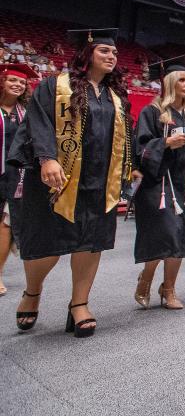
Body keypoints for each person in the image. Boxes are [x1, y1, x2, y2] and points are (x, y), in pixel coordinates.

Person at [9, 28, 133, 338]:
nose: (112, 56)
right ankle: (33, 291)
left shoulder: (115, 96)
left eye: (115, 53)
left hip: (99, 180)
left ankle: (79, 304)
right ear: (86, 52)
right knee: (47, 244)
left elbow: (122, 140)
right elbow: (38, 122)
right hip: (58, 178)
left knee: (90, 242)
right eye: (105, 50)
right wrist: (47, 157)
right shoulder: (55, 86)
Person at [132, 59, 185, 310]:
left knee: (182, 235)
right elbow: (140, 148)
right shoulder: (153, 112)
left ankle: (168, 289)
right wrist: (166, 143)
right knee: (164, 233)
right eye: (182, 79)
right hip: (161, 184)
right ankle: (146, 279)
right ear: (169, 82)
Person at [0, 64, 38, 297]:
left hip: (15, 176)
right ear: (2, 82)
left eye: (22, 82)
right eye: (12, 80)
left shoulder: (25, 112)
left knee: (6, 223)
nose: (17, 85)